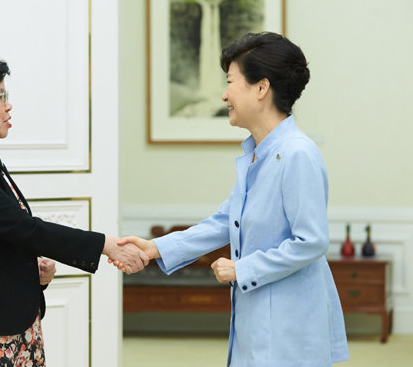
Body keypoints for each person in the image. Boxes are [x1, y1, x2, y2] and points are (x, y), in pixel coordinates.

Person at [116, 32, 350, 366]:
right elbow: (225, 221)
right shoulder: (259, 154)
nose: (224, 95)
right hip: (259, 320)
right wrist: (154, 249)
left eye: (231, 82)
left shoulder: (297, 153)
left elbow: (311, 241)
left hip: (290, 326)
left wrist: (242, 268)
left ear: (261, 88)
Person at [0, 49, 148, 367]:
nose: (8, 104)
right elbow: (22, 228)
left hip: (10, 321)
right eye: (0, 96)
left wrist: (32, 270)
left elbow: (3, 236)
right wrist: (106, 245)